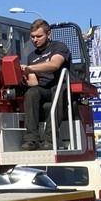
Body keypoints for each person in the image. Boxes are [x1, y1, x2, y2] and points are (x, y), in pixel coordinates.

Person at [19, 19, 71, 150]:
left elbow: (54, 65)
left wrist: (30, 68)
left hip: (60, 85)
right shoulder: (32, 56)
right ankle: (31, 139)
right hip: (44, 89)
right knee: (31, 93)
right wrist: (21, 76)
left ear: (49, 34)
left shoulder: (59, 47)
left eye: (39, 36)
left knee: (60, 91)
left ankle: (49, 139)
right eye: (32, 37)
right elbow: (34, 82)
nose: (35, 40)